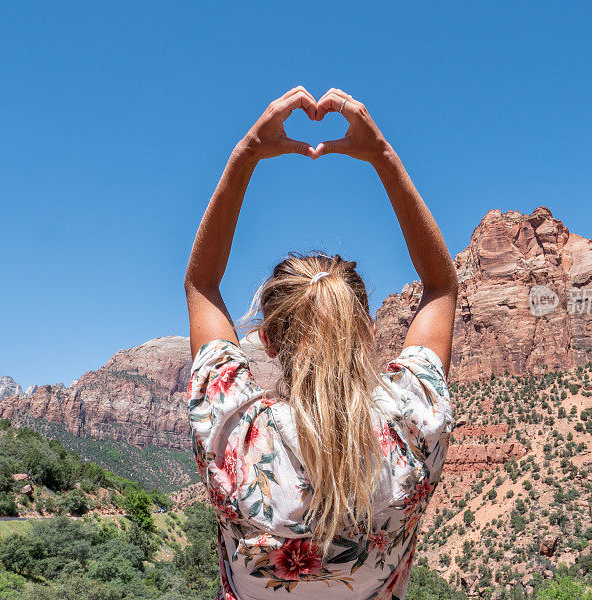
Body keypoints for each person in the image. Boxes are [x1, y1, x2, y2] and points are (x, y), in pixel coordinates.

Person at [184, 87, 458, 600]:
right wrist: (381, 155)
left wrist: (246, 154)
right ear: (368, 332)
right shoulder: (411, 426)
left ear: (266, 341)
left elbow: (202, 283)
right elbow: (441, 286)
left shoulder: (237, 437)